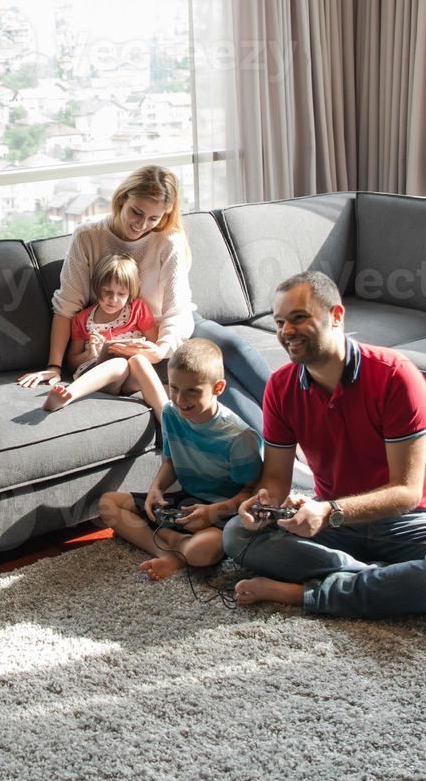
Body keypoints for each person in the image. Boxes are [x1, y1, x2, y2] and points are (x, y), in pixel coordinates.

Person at [223, 271, 426, 619]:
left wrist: (330, 511)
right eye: (279, 322)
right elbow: (276, 479)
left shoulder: (395, 375)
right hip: (335, 522)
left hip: (408, 518)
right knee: (237, 536)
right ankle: (401, 583)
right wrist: (264, 504)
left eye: (298, 318)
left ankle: (306, 594)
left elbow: (407, 492)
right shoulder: (281, 387)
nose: (285, 332)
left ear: (336, 316)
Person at [97, 339, 263, 581]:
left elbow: (253, 492)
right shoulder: (170, 413)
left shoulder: (239, 437)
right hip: (184, 502)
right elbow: (172, 462)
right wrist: (156, 488)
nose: (180, 399)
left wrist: (212, 512)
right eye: (174, 388)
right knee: (108, 505)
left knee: (201, 552)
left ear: (218, 388)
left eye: (192, 391)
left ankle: (171, 540)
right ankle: (168, 551)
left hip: (223, 512)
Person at [18, 165, 192, 394]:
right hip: (128, 346)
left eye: (153, 218)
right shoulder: (88, 236)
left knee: (235, 351)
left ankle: (253, 428)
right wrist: (54, 366)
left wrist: (160, 349)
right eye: (137, 212)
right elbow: (66, 306)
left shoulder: (169, 241)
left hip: (169, 333)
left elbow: (177, 312)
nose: (141, 225)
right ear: (122, 200)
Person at [43, 253, 168, 416]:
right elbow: (72, 362)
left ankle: (168, 420)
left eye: (121, 294)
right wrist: (91, 353)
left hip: (130, 379)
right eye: (107, 291)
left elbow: (153, 345)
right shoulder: (82, 319)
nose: (113, 299)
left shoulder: (137, 309)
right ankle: (68, 395)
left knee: (138, 360)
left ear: (130, 293)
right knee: (119, 364)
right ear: (97, 287)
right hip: (98, 375)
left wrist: (137, 349)